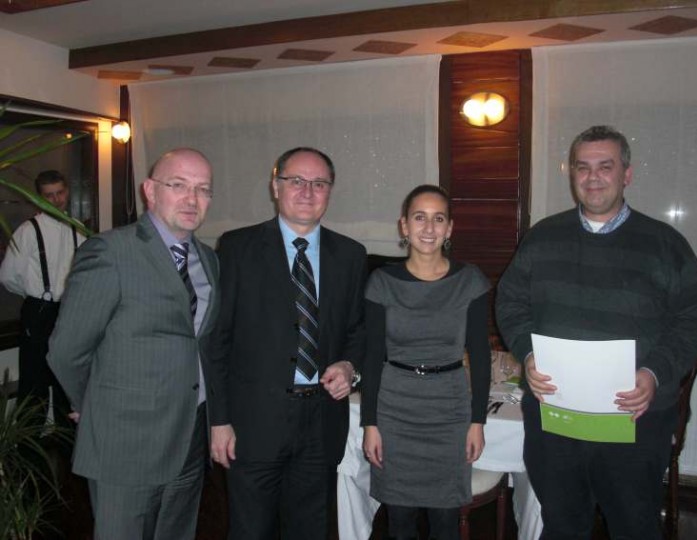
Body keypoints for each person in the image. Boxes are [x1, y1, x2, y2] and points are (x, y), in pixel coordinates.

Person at [495, 125, 697, 539]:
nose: (593, 177)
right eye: (583, 167)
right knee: (562, 526)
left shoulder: (665, 244)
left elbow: (695, 318)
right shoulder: (542, 237)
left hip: (634, 421)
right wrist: (527, 353)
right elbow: (510, 303)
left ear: (626, 174)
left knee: (634, 527)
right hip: (556, 420)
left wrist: (655, 372)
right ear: (572, 174)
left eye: (605, 166)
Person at [48, 148, 220, 540]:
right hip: (125, 440)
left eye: (203, 189)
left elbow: (203, 345)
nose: (192, 198)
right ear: (150, 190)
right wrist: (93, 404)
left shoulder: (209, 260)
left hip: (190, 434)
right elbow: (66, 350)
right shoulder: (110, 251)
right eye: (178, 185)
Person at [207, 147, 366, 540]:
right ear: (275, 187)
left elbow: (359, 330)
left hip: (321, 423)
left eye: (319, 183)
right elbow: (217, 339)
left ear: (330, 191)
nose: (307, 191)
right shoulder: (237, 248)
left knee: (310, 530)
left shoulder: (351, 254)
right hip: (254, 423)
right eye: (296, 181)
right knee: (250, 531)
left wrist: (350, 366)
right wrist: (219, 420)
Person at [362, 184, 492, 540]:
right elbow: (372, 358)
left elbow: (481, 357)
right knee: (400, 521)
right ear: (404, 225)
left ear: (450, 228)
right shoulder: (382, 282)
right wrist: (370, 423)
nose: (429, 228)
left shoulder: (469, 281)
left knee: (446, 521)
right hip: (395, 410)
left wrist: (477, 421)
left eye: (439, 219)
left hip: (449, 411)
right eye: (420, 218)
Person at [0, 170, 85, 431]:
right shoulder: (28, 231)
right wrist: (37, 295)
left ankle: (67, 445)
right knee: (33, 384)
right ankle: (29, 447)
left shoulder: (78, 229)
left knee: (65, 380)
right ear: (39, 197)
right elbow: (8, 276)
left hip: (68, 312)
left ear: (67, 192)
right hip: (38, 310)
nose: (56, 200)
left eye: (60, 193)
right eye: (49, 195)